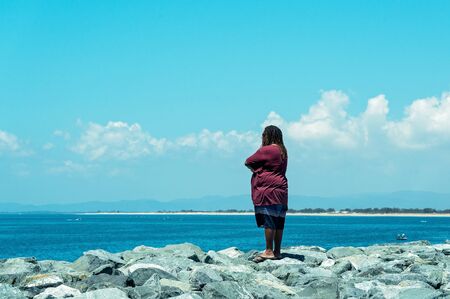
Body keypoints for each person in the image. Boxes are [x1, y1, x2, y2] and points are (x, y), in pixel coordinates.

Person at [245, 125, 288, 261]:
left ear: (268, 135)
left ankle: (269, 251)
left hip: (268, 189)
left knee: (269, 219)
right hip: (281, 188)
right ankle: (277, 251)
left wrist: (257, 171)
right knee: (278, 220)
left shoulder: (267, 150)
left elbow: (248, 161)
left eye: (263, 134)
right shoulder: (283, 151)